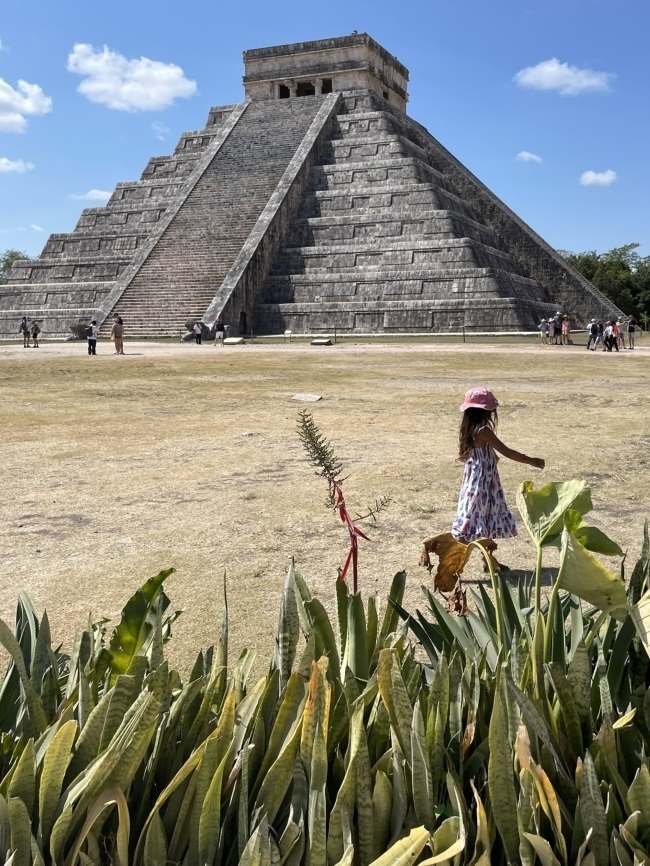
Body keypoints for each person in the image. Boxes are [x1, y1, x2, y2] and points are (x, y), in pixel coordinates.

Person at [451, 387, 545, 571]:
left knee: (483, 519)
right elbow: (507, 451)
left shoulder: (469, 429)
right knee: (470, 524)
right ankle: (453, 566)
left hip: (477, 480)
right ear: (485, 412)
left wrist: (487, 456)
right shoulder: (484, 430)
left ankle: (489, 562)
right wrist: (532, 461)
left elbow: (465, 455)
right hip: (482, 484)